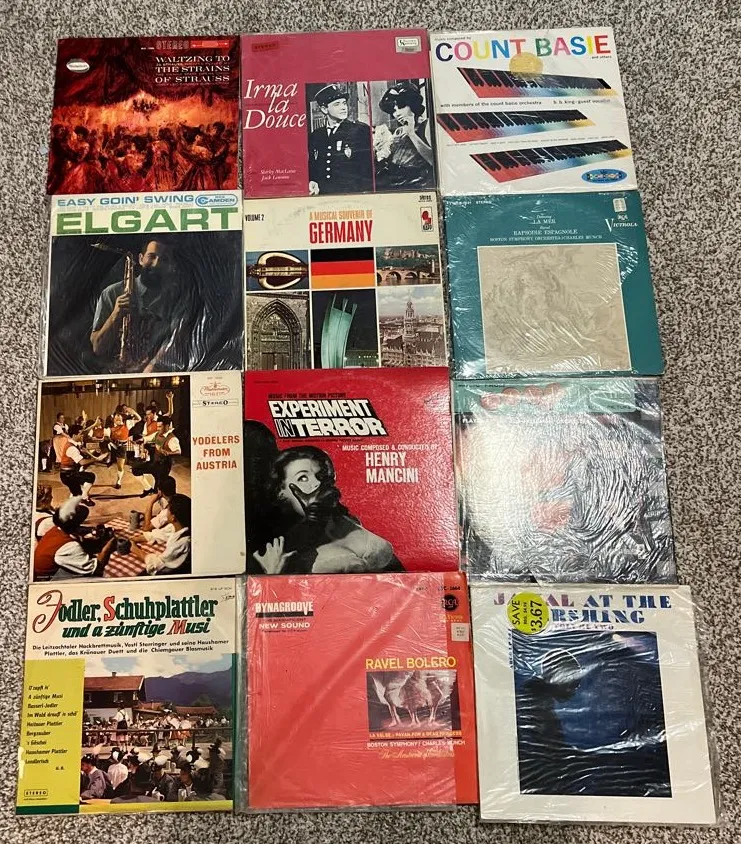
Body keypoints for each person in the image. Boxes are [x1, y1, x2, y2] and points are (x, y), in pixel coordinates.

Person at [253, 446, 403, 574]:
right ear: (280, 492)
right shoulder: (278, 550)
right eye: (303, 478)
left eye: (320, 475)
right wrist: (275, 575)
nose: (317, 483)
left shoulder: (346, 521)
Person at [89, 238, 196, 373]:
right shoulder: (111, 293)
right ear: (140, 259)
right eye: (151, 256)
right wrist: (115, 314)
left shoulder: (176, 298)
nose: (156, 264)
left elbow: (177, 340)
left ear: (171, 266)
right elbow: (98, 348)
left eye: (164, 259)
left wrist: (153, 366)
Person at [308, 84, 372, 195]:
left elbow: (367, 170)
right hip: (323, 195)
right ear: (324, 109)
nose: (343, 107)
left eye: (344, 103)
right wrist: (312, 181)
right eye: (337, 104)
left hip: (350, 194)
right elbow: (313, 165)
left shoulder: (360, 130)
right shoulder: (316, 135)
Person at [33, 497, 115, 580]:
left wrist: (96, 538)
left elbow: (77, 534)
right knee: (95, 575)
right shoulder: (70, 546)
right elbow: (96, 568)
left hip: (48, 570)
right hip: (48, 579)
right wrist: (108, 547)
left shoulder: (57, 529)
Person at [374, 82, 434, 190]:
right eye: (393, 110)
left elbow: (433, 161)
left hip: (415, 183)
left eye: (400, 107)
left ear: (412, 104)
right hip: (393, 180)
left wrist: (411, 133)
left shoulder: (427, 125)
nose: (396, 114)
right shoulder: (399, 131)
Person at [130, 493, 191, 575]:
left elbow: (157, 564)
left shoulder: (182, 543)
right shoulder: (176, 526)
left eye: (168, 510)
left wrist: (134, 549)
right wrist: (134, 539)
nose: (166, 512)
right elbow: (159, 534)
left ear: (173, 517)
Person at [52, 424, 103, 507]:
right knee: (81, 489)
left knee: (85, 481)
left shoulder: (74, 443)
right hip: (68, 475)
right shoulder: (72, 448)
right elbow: (82, 462)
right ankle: (81, 499)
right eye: (80, 434)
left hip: (70, 473)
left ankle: (82, 497)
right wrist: (95, 459)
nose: (82, 435)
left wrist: (92, 454)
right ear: (74, 435)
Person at [133, 413, 181, 496]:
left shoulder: (172, 439)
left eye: (160, 427)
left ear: (167, 426)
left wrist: (168, 452)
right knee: (136, 470)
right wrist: (141, 440)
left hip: (164, 466)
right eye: (157, 426)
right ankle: (148, 489)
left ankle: (158, 495)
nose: (158, 429)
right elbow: (148, 438)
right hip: (155, 463)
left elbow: (178, 451)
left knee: (159, 490)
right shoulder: (157, 434)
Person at [108, 406, 141, 490]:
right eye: (116, 416)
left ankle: (118, 481)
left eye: (119, 416)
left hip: (122, 447)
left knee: (120, 467)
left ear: (123, 417)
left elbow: (139, 419)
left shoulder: (127, 424)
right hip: (112, 446)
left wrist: (133, 411)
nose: (118, 418)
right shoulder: (111, 426)